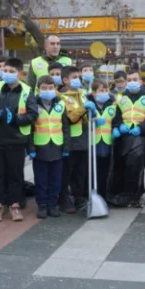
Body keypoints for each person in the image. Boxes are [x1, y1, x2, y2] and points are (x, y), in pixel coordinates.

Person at [0, 58, 38, 222]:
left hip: (17, 140)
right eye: (5, 71)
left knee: (15, 175)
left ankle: (14, 205)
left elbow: (33, 114)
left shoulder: (27, 91)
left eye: (11, 72)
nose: (7, 74)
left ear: (20, 74)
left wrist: (15, 119)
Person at [28, 75, 71, 218]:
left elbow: (65, 127)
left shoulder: (61, 104)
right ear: (38, 89)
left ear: (55, 88)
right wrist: (31, 148)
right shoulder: (33, 105)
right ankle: (42, 205)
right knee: (41, 179)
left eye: (50, 88)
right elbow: (29, 128)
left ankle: (53, 205)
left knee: (55, 179)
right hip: (40, 147)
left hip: (57, 147)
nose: (48, 91)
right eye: (44, 88)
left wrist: (66, 147)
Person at [110, 69, 145, 207]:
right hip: (124, 139)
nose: (132, 83)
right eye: (129, 80)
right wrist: (118, 126)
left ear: (141, 82)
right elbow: (116, 117)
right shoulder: (121, 99)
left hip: (140, 137)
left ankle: (135, 196)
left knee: (136, 168)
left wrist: (141, 128)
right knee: (123, 167)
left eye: (135, 80)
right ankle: (123, 195)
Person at [58, 65, 90, 212]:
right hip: (70, 140)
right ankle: (64, 199)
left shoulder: (82, 94)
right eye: (74, 78)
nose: (78, 80)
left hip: (83, 139)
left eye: (79, 77)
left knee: (80, 171)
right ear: (65, 80)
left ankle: (79, 197)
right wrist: (85, 108)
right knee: (67, 172)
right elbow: (70, 118)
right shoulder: (62, 97)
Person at [86, 79, 115, 200]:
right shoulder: (89, 105)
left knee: (105, 171)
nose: (104, 93)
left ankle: (103, 195)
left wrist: (117, 128)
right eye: (101, 90)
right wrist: (92, 116)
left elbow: (116, 120)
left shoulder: (112, 105)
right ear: (93, 93)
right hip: (93, 143)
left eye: (106, 90)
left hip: (107, 142)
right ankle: (91, 195)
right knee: (93, 171)